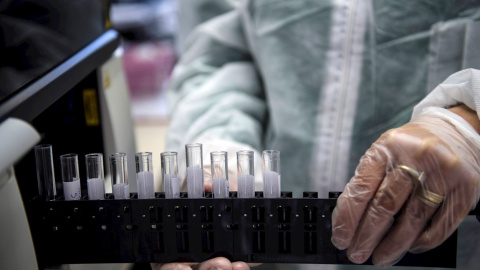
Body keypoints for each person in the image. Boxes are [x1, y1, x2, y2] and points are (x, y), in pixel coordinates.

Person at [154, 1, 480, 269]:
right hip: (273, 258)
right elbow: (223, 55)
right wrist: (223, 153)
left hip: (448, 247)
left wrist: (468, 124)